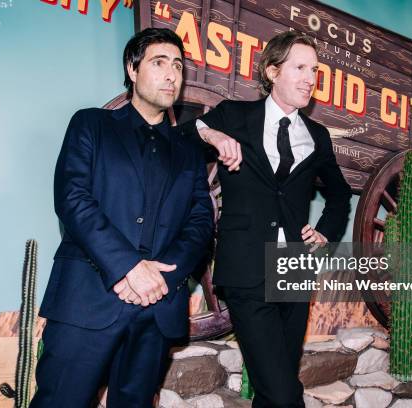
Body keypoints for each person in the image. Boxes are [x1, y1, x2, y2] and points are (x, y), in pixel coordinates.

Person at [30, 28, 213, 408]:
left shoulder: (190, 152)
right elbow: (72, 199)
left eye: (178, 66)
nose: (171, 75)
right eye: (159, 62)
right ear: (132, 69)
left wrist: (161, 278)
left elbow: (200, 224)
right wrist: (130, 268)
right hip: (87, 301)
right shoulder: (90, 124)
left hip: (157, 308)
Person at [193, 31, 352, 407]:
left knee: (272, 387)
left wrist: (325, 232)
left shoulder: (317, 136)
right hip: (246, 269)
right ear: (272, 70)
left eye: (314, 70)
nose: (310, 78)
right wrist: (213, 135)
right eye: (300, 68)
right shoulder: (235, 115)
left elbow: (340, 194)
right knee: (283, 392)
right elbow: (185, 134)